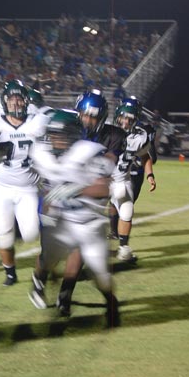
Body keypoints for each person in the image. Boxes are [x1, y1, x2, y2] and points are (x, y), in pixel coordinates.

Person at [28, 109, 120, 327]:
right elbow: (44, 185)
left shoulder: (87, 153)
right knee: (48, 258)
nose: (56, 140)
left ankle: (112, 304)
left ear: (74, 136)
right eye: (53, 135)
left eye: (62, 136)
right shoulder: (41, 153)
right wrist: (46, 208)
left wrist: (75, 190)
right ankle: (39, 282)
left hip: (87, 221)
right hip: (59, 218)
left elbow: (104, 189)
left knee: (101, 274)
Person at [0, 80, 50, 285]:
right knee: (3, 234)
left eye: (19, 99)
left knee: (30, 234)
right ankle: (10, 273)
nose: (16, 103)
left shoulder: (38, 121)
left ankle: (17, 225)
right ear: (4, 102)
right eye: (12, 99)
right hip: (0, 186)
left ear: (26, 102)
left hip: (28, 186)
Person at [109, 97, 156, 262]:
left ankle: (123, 248)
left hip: (122, 180)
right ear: (118, 116)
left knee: (127, 209)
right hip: (100, 179)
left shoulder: (139, 137)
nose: (126, 121)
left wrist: (150, 175)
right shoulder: (106, 131)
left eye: (130, 118)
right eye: (124, 117)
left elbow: (145, 156)